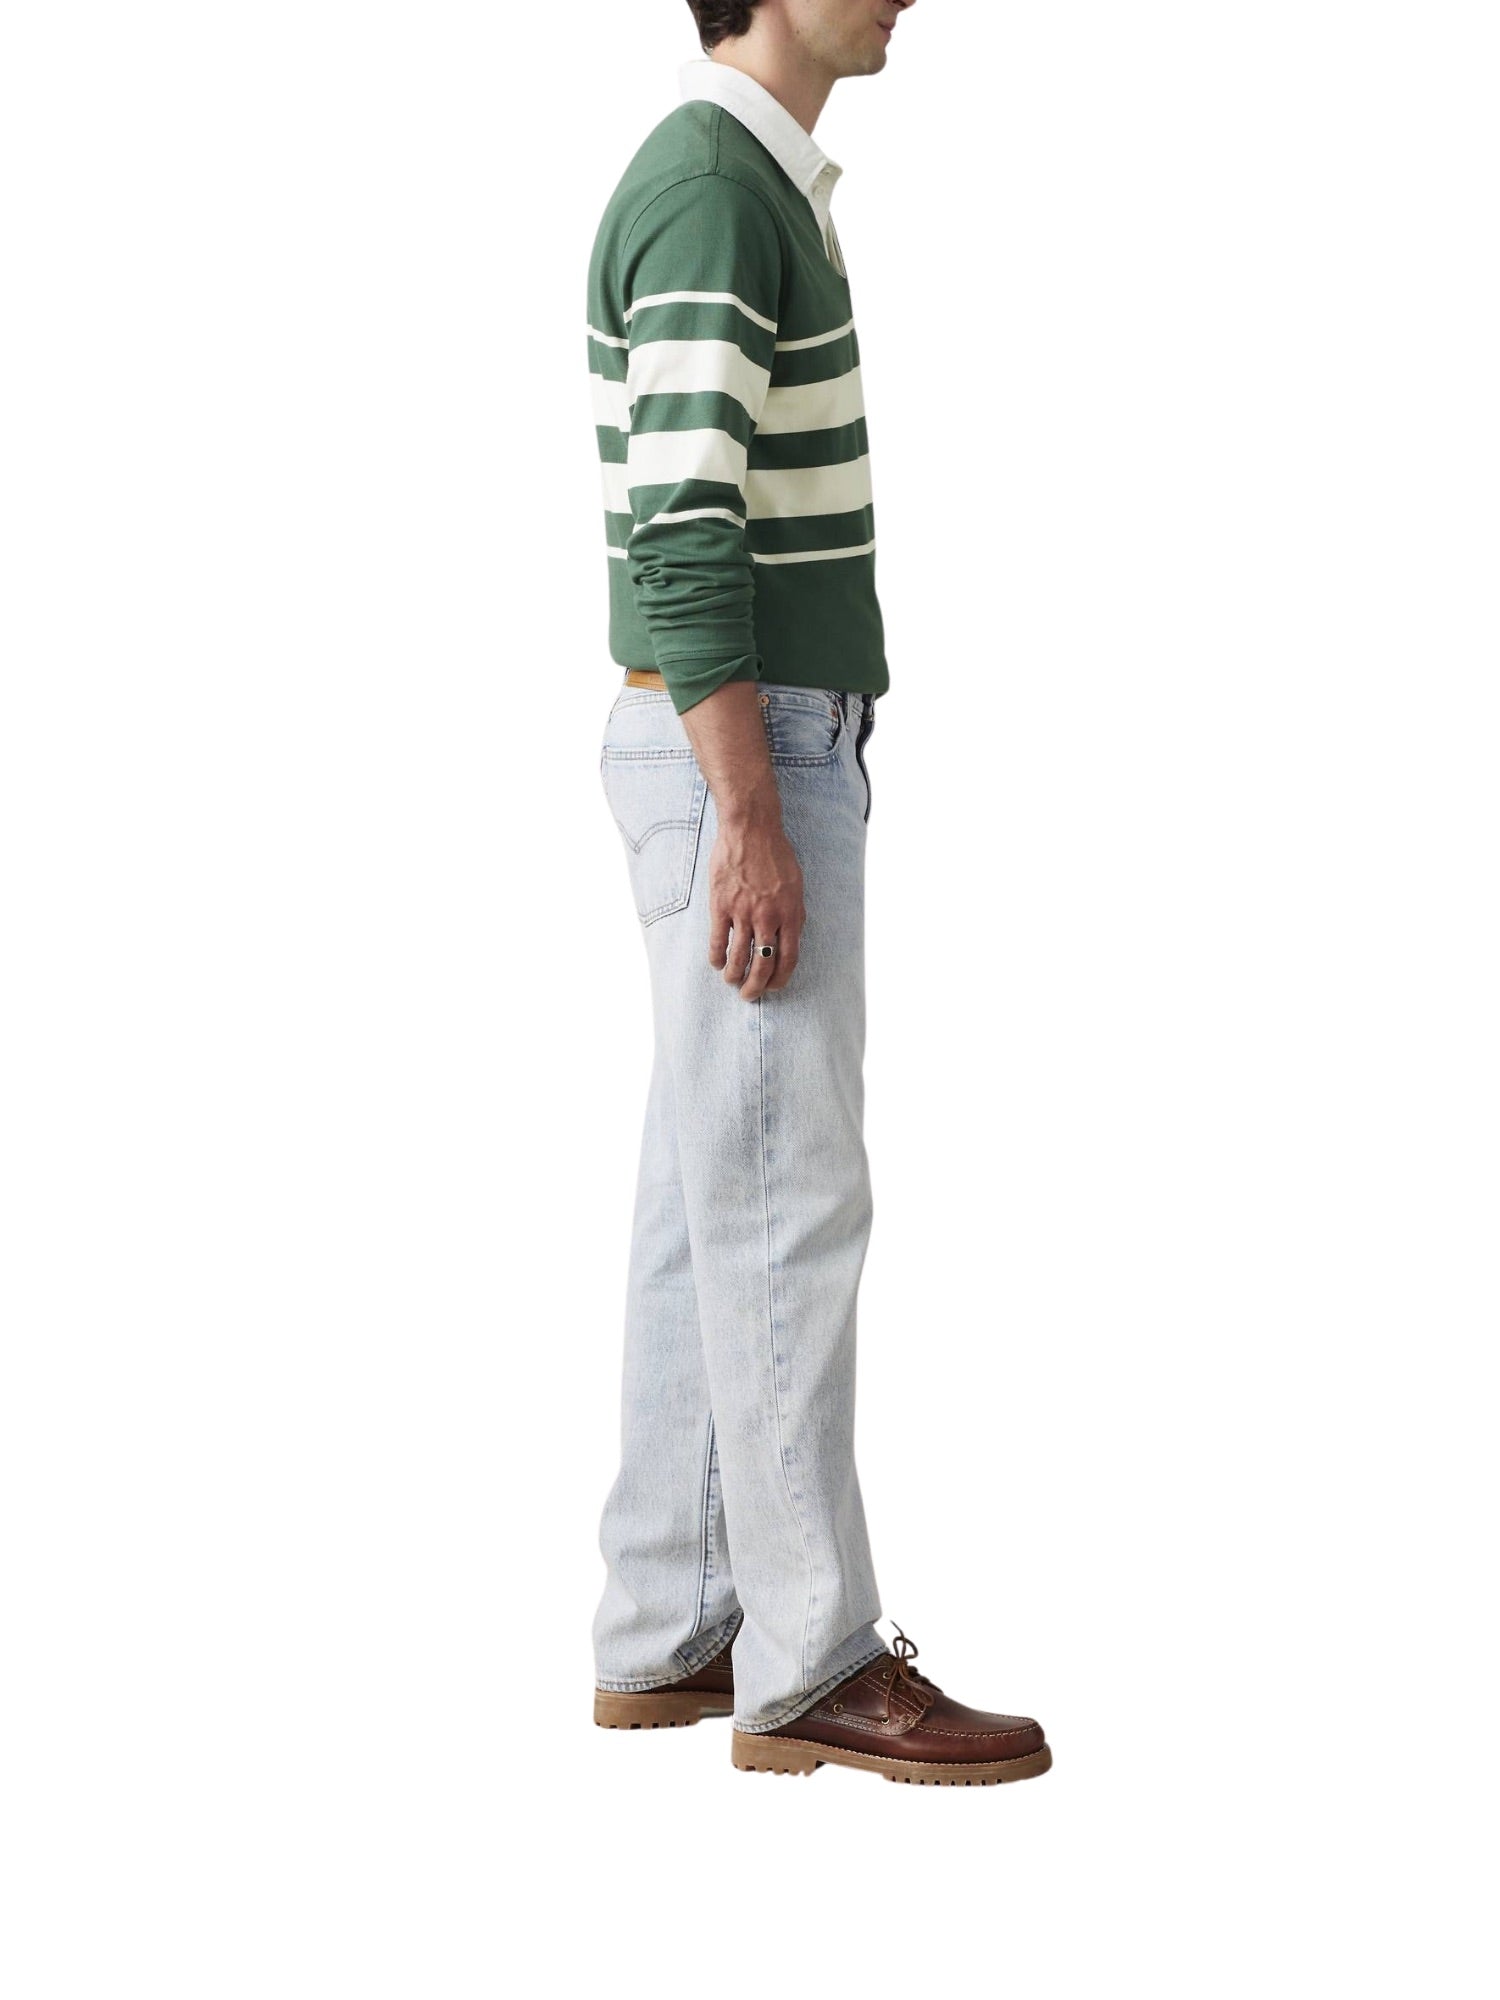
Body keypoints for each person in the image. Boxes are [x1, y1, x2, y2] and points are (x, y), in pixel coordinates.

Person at [584, 0, 1051, 1786]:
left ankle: (675, 1616)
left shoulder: (744, 177)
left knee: (710, 1192)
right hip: (747, 743)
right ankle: (813, 1658)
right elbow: (680, 524)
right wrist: (751, 808)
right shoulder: (715, 186)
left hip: (743, 738)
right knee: (788, 1197)